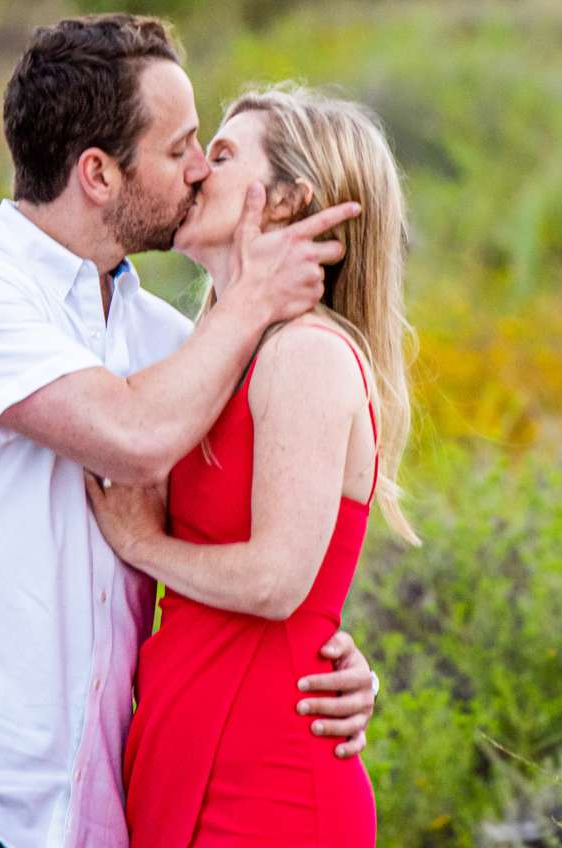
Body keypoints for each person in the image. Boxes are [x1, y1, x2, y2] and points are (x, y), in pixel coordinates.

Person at [0, 16, 382, 848]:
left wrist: (326, 656)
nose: (197, 170)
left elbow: (272, 529)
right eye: (182, 148)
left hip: (88, 811)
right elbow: (130, 434)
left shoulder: (166, 340)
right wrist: (254, 300)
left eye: (212, 151)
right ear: (97, 173)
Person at [88, 86, 416, 848]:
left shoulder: (307, 354)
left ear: (288, 201)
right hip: (183, 745)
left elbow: (277, 582)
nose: (197, 168)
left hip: (264, 776)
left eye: (225, 154)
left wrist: (143, 546)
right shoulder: (209, 357)